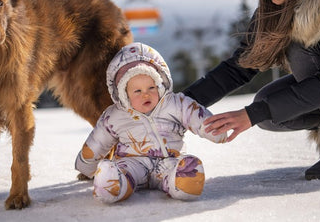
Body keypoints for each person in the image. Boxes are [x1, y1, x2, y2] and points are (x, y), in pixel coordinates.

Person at [183, 0, 320, 180]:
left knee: (299, 50)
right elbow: (241, 65)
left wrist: (251, 115)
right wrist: (183, 103)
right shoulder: (279, 5)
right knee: (266, 105)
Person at [75, 42, 227, 203]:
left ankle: (184, 182)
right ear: (123, 93)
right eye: (137, 91)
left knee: (182, 168)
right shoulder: (115, 115)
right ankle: (112, 184)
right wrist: (86, 167)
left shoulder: (175, 104)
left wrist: (215, 129)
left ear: (160, 84)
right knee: (121, 172)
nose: (145, 95)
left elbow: (195, 115)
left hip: (169, 161)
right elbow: (98, 141)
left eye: (151, 88)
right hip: (132, 163)